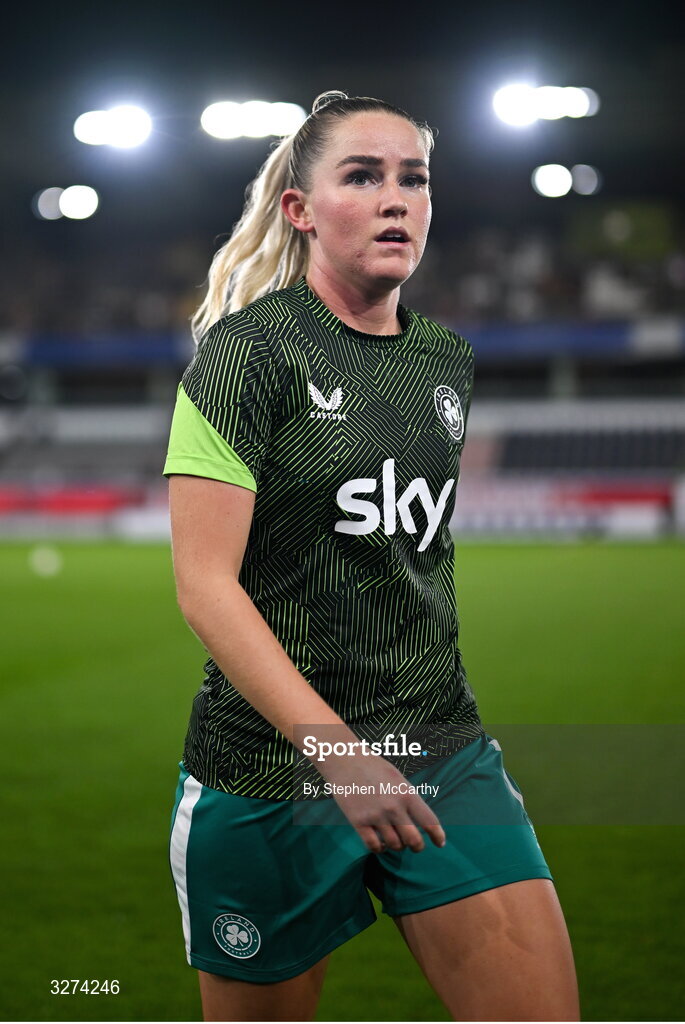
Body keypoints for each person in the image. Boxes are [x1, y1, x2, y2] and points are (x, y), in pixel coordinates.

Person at [164, 90, 580, 1022]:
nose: (397, 198)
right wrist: (340, 757)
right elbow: (203, 584)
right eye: (362, 175)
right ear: (299, 210)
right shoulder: (247, 356)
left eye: (414, 179)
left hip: (439, 746)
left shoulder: (445, 362)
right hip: (269, 772)